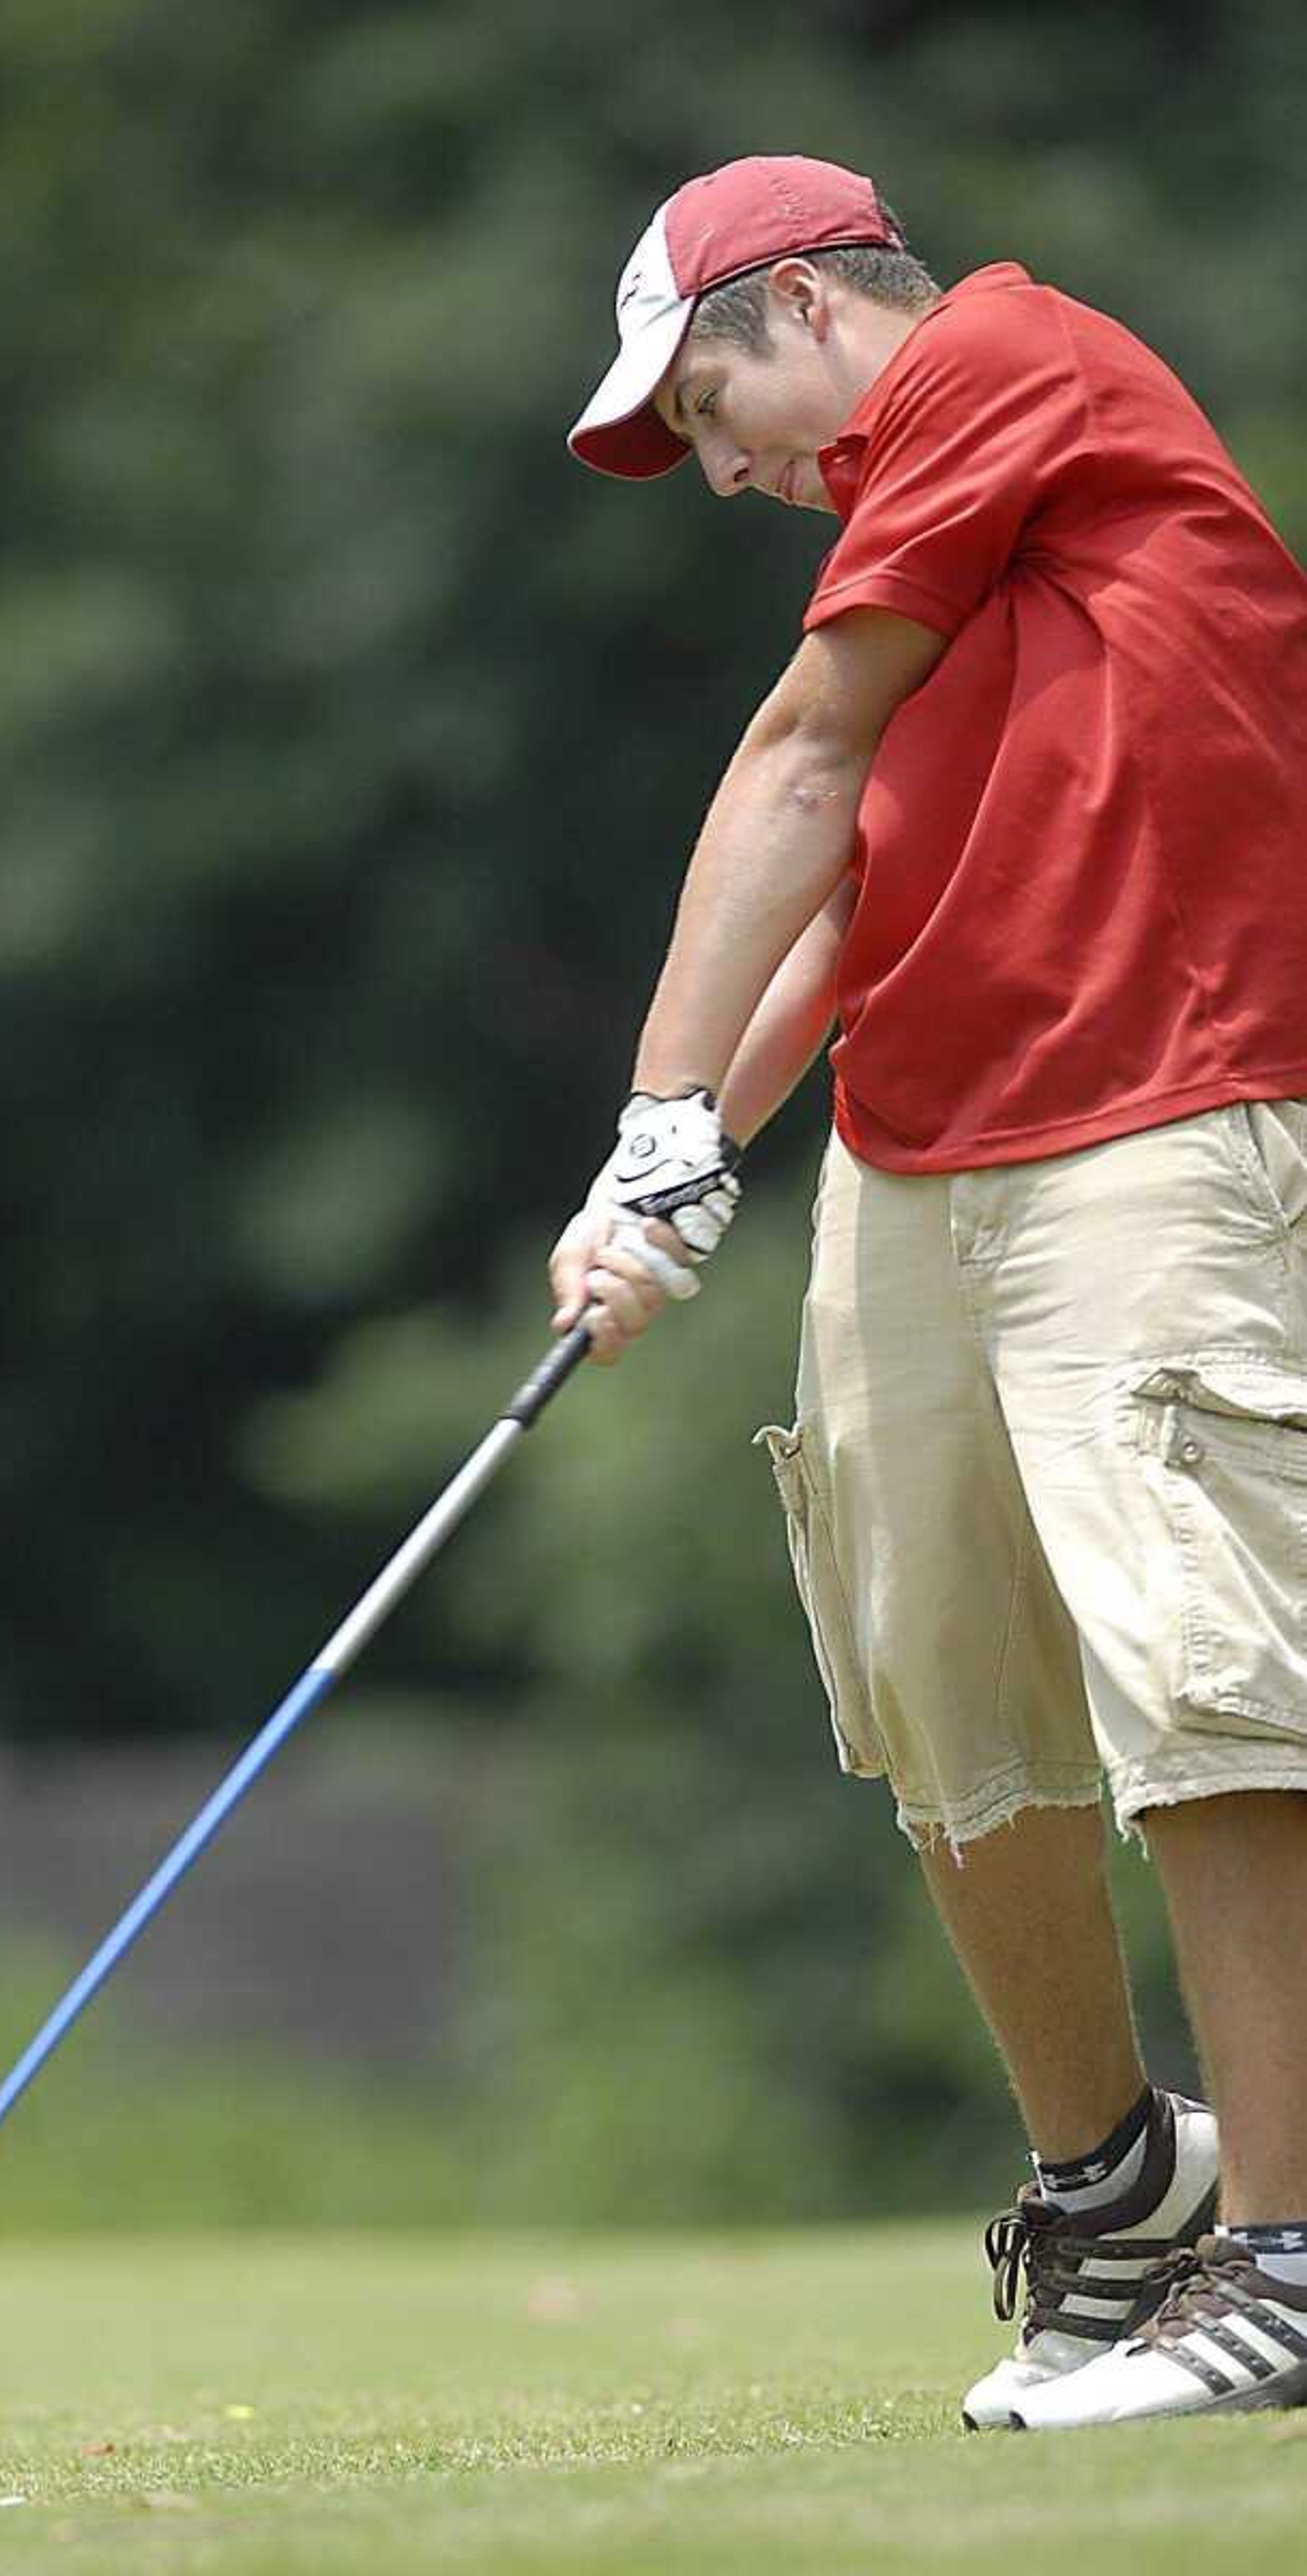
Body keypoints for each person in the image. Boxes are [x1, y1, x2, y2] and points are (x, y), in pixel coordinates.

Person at [550, 153, 1307, 2431]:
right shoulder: (930, 536)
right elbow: (858, 885)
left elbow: (794, 760)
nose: (720, 468)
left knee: (1197, 1657)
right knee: (931, 1671)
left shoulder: (1003, 361)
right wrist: (681, 1171)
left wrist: (658, 1100)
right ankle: (1115, 2185)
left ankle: (1287, 2263)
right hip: (929, 1139)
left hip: (1163, 1098)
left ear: (803, 300)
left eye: (707, 404)